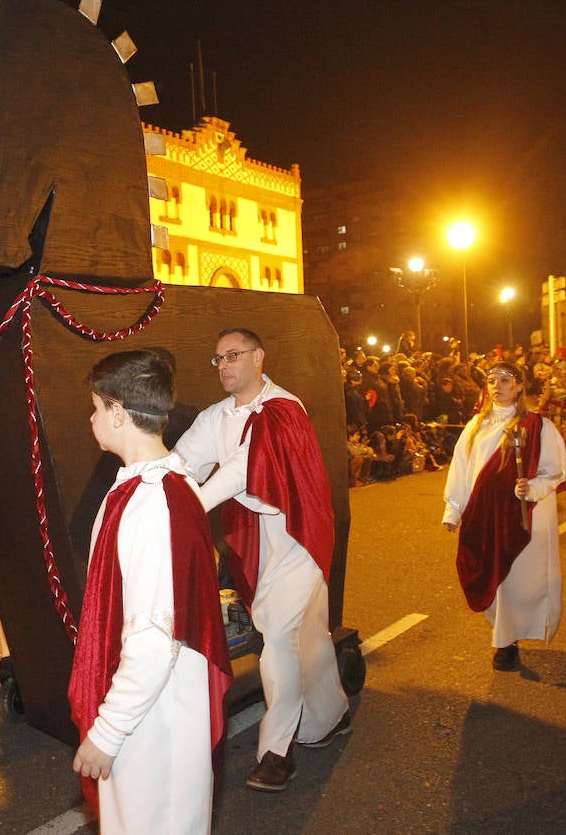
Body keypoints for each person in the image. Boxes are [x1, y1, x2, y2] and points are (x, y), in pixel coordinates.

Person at [173, 328, 350, 793]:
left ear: (258, 358)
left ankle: (276, 752)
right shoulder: (216, 416)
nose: (224, 366)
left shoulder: (284, 410)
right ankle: (331, 715)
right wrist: (147, 491)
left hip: (299, 534)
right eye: (218, 358)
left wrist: (191, 506)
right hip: (258, 537)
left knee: (275, 634)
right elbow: (182, 462)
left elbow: (238, 471)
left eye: (232, 355)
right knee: (305, 632)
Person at [68, 350, 232, 832]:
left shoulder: (151, 503)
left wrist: (108, 730)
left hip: (154, 720)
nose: (93, 418)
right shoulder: (163, 486)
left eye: (96, 407)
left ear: (119, 412)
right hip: (158, 707)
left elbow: (154, 637)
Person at [441, 361, 566, 671]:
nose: (497, 386)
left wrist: (533, 486)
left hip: (519, 516)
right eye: (492, 380)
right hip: (483, 516)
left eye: (506, 380)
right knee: (487, 577)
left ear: (521, 386)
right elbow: (461, 468)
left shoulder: (537, 426)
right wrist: (454, 509)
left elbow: (555, 471)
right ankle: (503, 632)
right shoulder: (475, 427)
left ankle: (507, 642)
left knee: (514, 580)